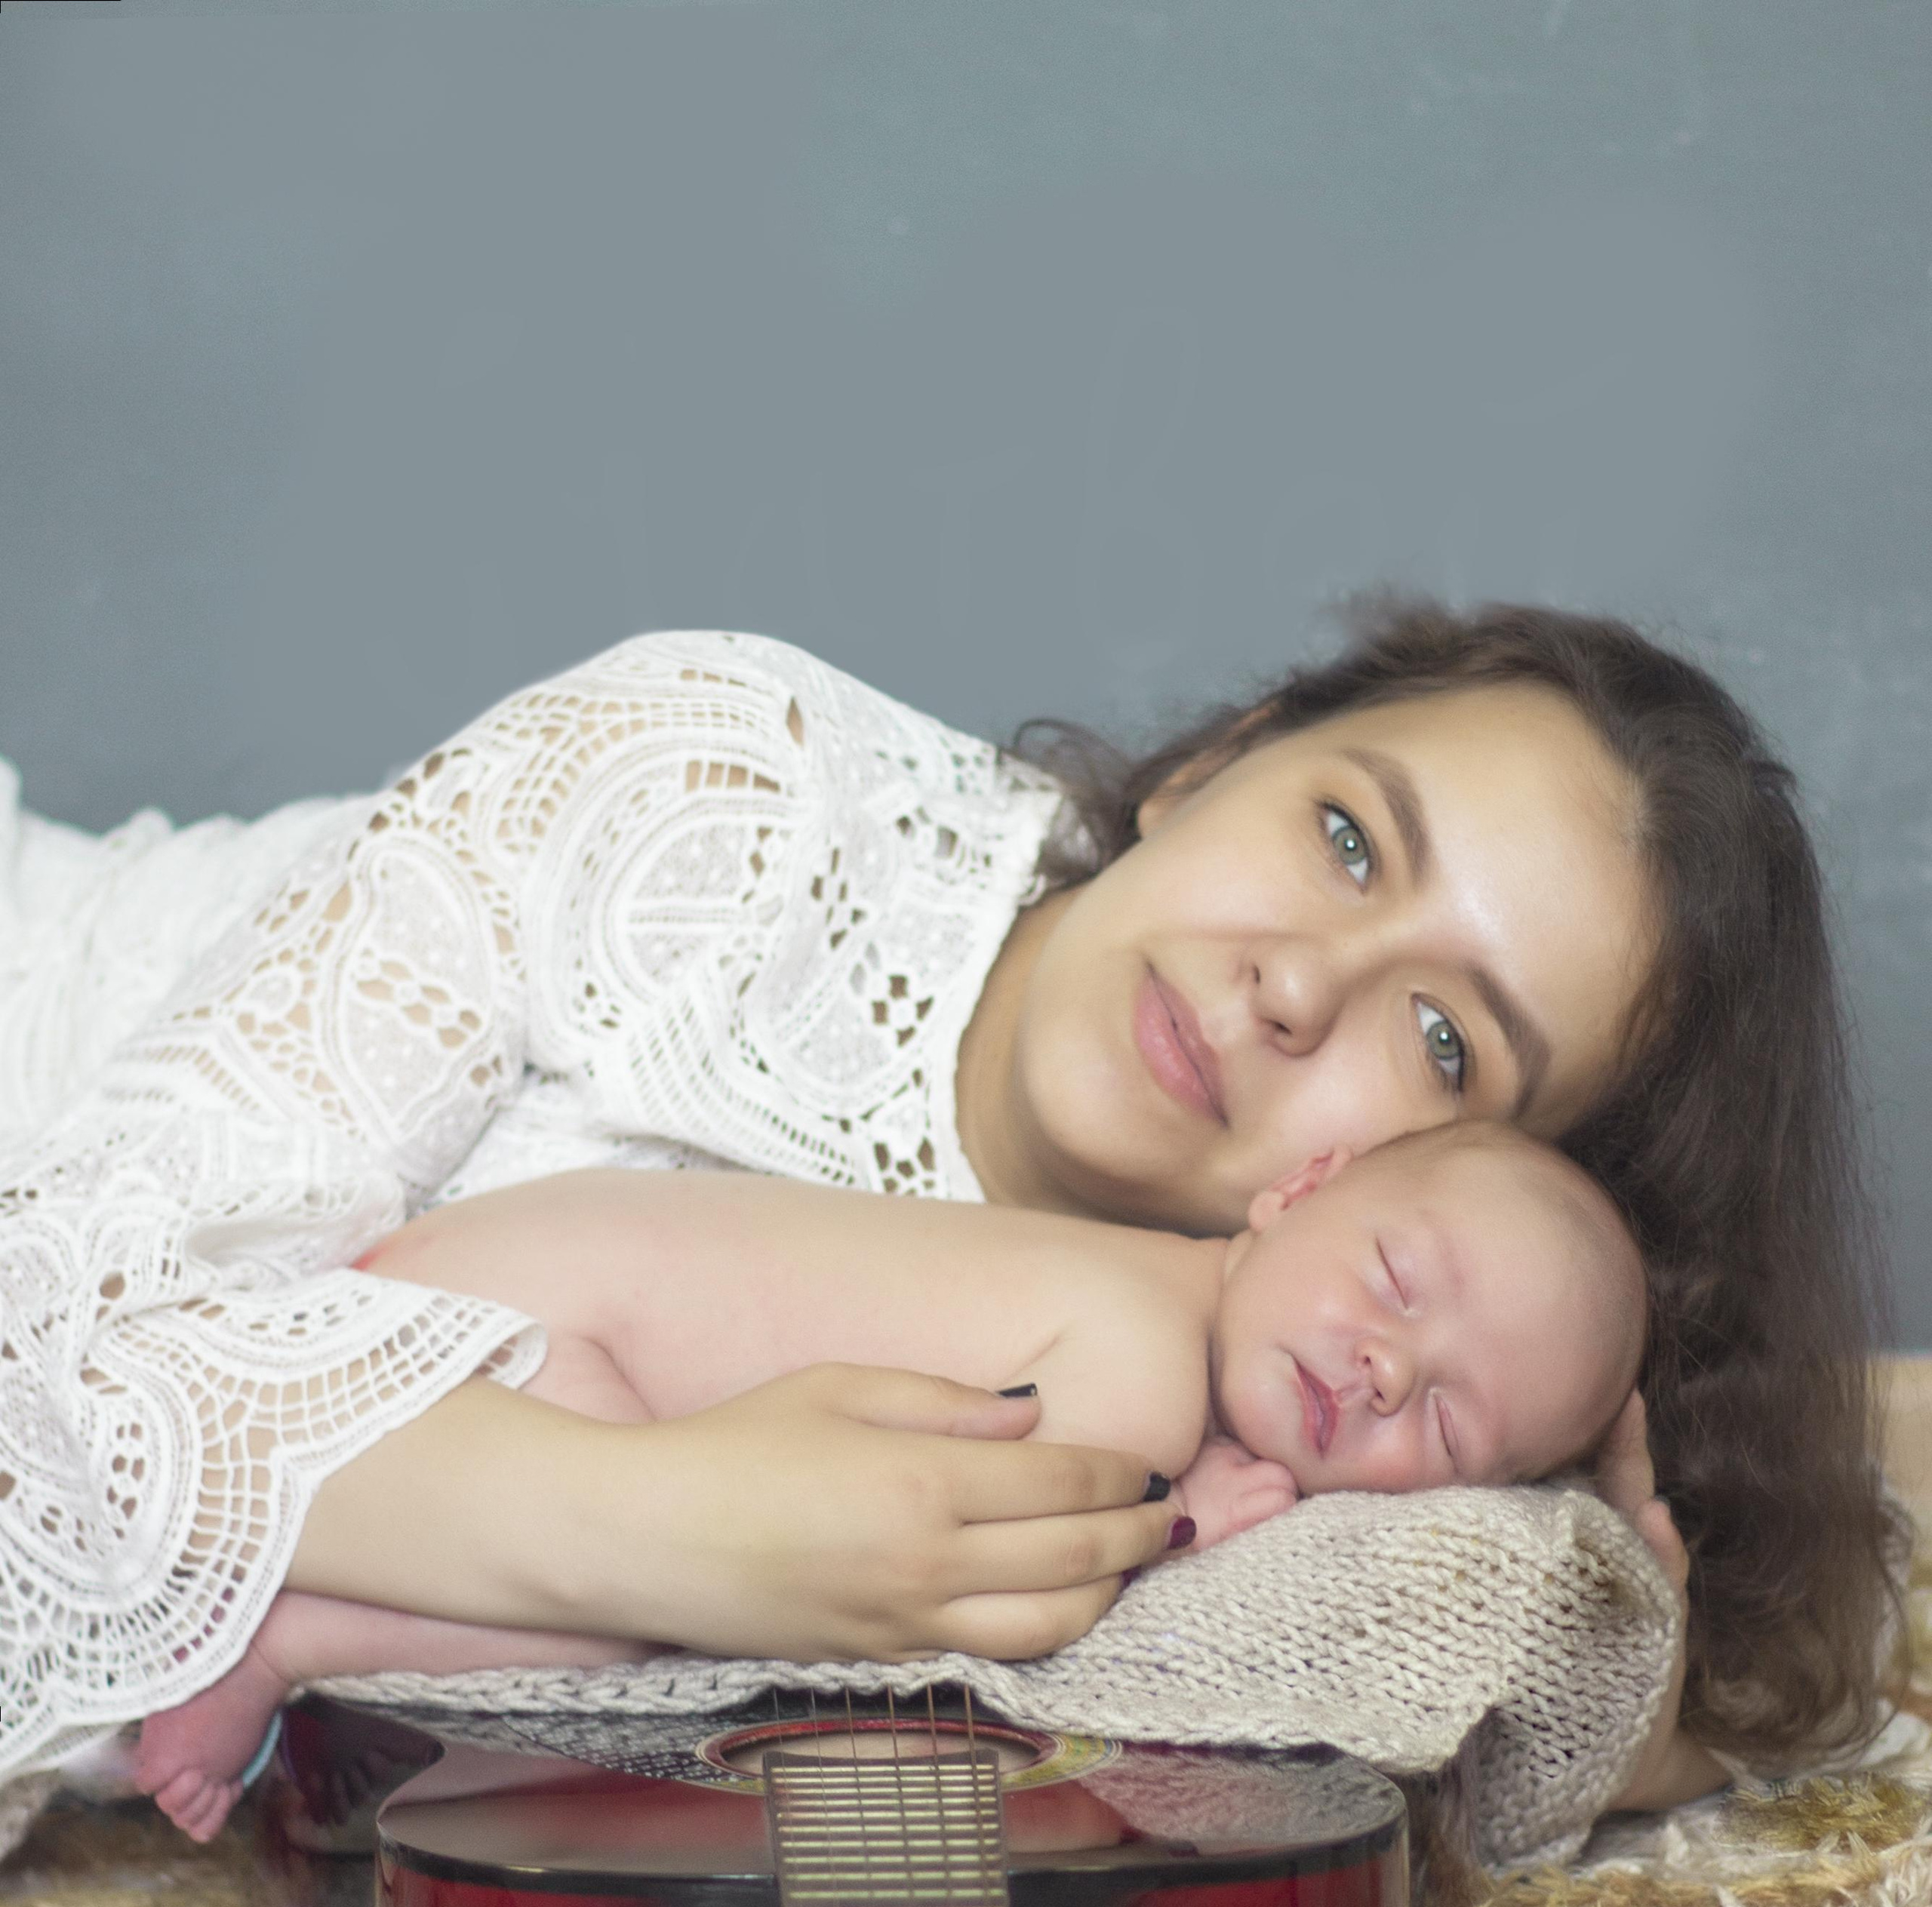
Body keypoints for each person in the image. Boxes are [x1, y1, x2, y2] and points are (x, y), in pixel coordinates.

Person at [0, 604, 1895, 1836]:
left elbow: (1533, 1648)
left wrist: (1623, 1689)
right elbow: (58, 1335)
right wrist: (678, 1534)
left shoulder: (1309, 1377)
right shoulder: (719, 798)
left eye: (1438, 1040)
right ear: (1206, 762)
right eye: (1341, 837)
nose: (1290, 989)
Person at [132, 1121, 1647, 1838]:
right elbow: (961, 1551)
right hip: (534, 1350)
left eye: (1439, 1423)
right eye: (1391, 1277)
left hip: (474, 1275)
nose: (1383, 1366)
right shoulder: (1136, 1353)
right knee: (617, 1615)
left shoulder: (1110, 1276)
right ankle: (284, 1635)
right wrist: (1167, 1530)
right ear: (1300, 1185)